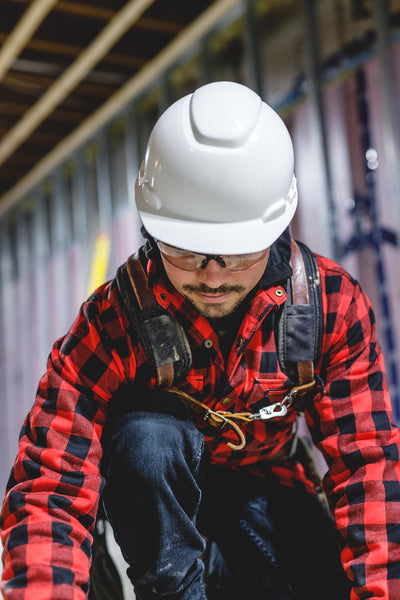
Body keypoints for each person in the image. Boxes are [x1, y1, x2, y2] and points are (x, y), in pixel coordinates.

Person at [1, 80, 400, 600]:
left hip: (266, 490)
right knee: (148, 441)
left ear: (276, 228)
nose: (212, 278)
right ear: (153, 229)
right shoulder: (112, 322)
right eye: (187, 251)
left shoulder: (330, 309)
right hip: (153, 513)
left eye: (235, 254)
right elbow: (51, 484)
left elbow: (367, 464)